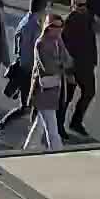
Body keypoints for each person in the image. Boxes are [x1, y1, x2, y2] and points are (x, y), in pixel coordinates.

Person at [0, 0, 48, 142]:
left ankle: (34, 132)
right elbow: (29, 51)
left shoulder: (27, 21)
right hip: (28, 70)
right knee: (26, 106)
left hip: (27, 69)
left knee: (35, 104)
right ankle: (1, 125)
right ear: (42, 8)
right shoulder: (32, 27)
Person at [24, 15, 69, 151]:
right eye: (56, 26)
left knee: (40, 123)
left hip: (54, 87)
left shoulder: (58, 41)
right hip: (43, 89)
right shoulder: (41, 43)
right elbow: (47, 67)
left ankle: (28, 148)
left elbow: (67, 59)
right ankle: (57, 152)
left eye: (61, 26)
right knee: (52, 127)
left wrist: (61, 63)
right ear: (48, 28)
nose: (59, 29)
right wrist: (61, 64)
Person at [61, 0, 97, 139]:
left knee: (89, 92)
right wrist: (68, 70)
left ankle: (76, 121)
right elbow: (65, 47)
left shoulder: (88, 19)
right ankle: (59, 125)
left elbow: (92, 41)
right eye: (80, 5)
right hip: (73, 65)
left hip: (87, 64)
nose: (83, 8)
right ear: (73, 6)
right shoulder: (69, 22)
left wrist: (94, 60)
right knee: (67, 97)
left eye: (85, 5)